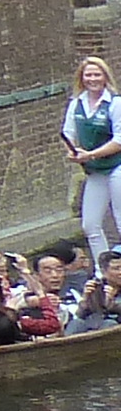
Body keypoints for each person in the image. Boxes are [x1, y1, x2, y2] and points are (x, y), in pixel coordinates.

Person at [67, 57, 121, 261]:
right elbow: (67, 132)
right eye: (88, 74)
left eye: (97, 74)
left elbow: (119, 140)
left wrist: (90, 155)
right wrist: (72, 150)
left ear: (105, 77)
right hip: (95, 170)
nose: (92, 79)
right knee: (90, 224)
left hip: (117, 166)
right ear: (81, 78)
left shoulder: (115, 103)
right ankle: (103, 269)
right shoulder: (76, 104)